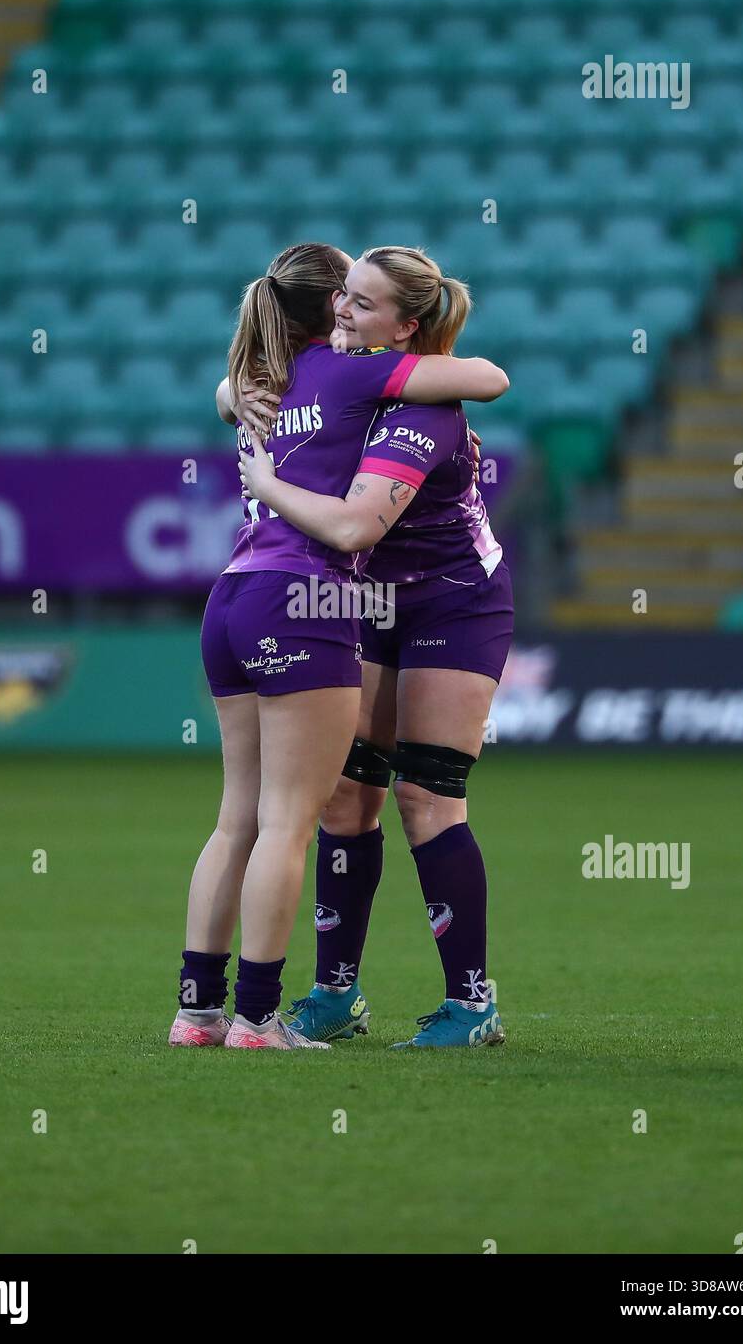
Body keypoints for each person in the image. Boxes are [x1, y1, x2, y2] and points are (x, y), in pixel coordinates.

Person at [169, 241, 508, 1051]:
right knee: (345, 799)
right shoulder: (326, 375)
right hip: (347, 599)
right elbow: (242, 386)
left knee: (426, 797)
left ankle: (471, 1002)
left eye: (362, 302)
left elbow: (360, 521)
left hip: (452, 601)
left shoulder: (420, 402)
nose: (344, 312)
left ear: (405, 326)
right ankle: (331, 994)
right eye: (341, 297)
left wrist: (264, 473)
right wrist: (237, 392)